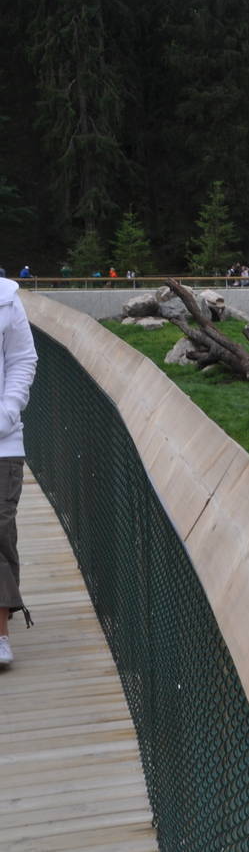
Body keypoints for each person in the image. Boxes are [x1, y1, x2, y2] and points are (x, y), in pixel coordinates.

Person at [0, 273, 39, 668]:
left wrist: (7, 413)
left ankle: (0, 633)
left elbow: (22, 358)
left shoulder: (6, 298)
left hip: (2, 443)